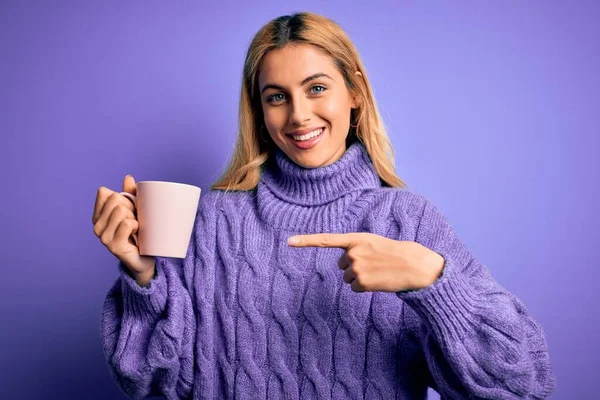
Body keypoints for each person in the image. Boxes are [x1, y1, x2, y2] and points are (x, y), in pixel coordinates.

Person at [93, 12, 555, 399]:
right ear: (259, 111)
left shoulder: (407, 221)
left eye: (316, 88)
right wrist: (143, 278)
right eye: (277, 97)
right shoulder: (215, 222)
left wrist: (434, 282)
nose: (298, 115)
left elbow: (524, 385)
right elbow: (155, 383)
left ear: (354, 93)